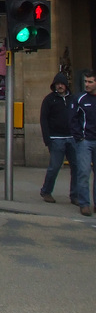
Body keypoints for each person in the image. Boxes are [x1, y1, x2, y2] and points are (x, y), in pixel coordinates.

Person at [39, 72, 78, 205]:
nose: (60, 86)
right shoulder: (49, 100)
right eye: (57, 84)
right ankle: (46, 191)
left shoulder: (74, 99)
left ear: (66, 85)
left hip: (72, 138)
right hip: (56, 138)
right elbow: (43, 119)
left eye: (62, 84)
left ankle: (75, 195)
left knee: (76, 167)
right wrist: (47, 139)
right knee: (54, 167)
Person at [70, 69, 96, 217]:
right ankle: (84, 203)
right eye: (86, 81)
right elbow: (72, 119)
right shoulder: (80, 98)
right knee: (84, 173)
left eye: (90, 82)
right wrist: (79, 137)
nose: (87, 84)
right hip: (85, 142)